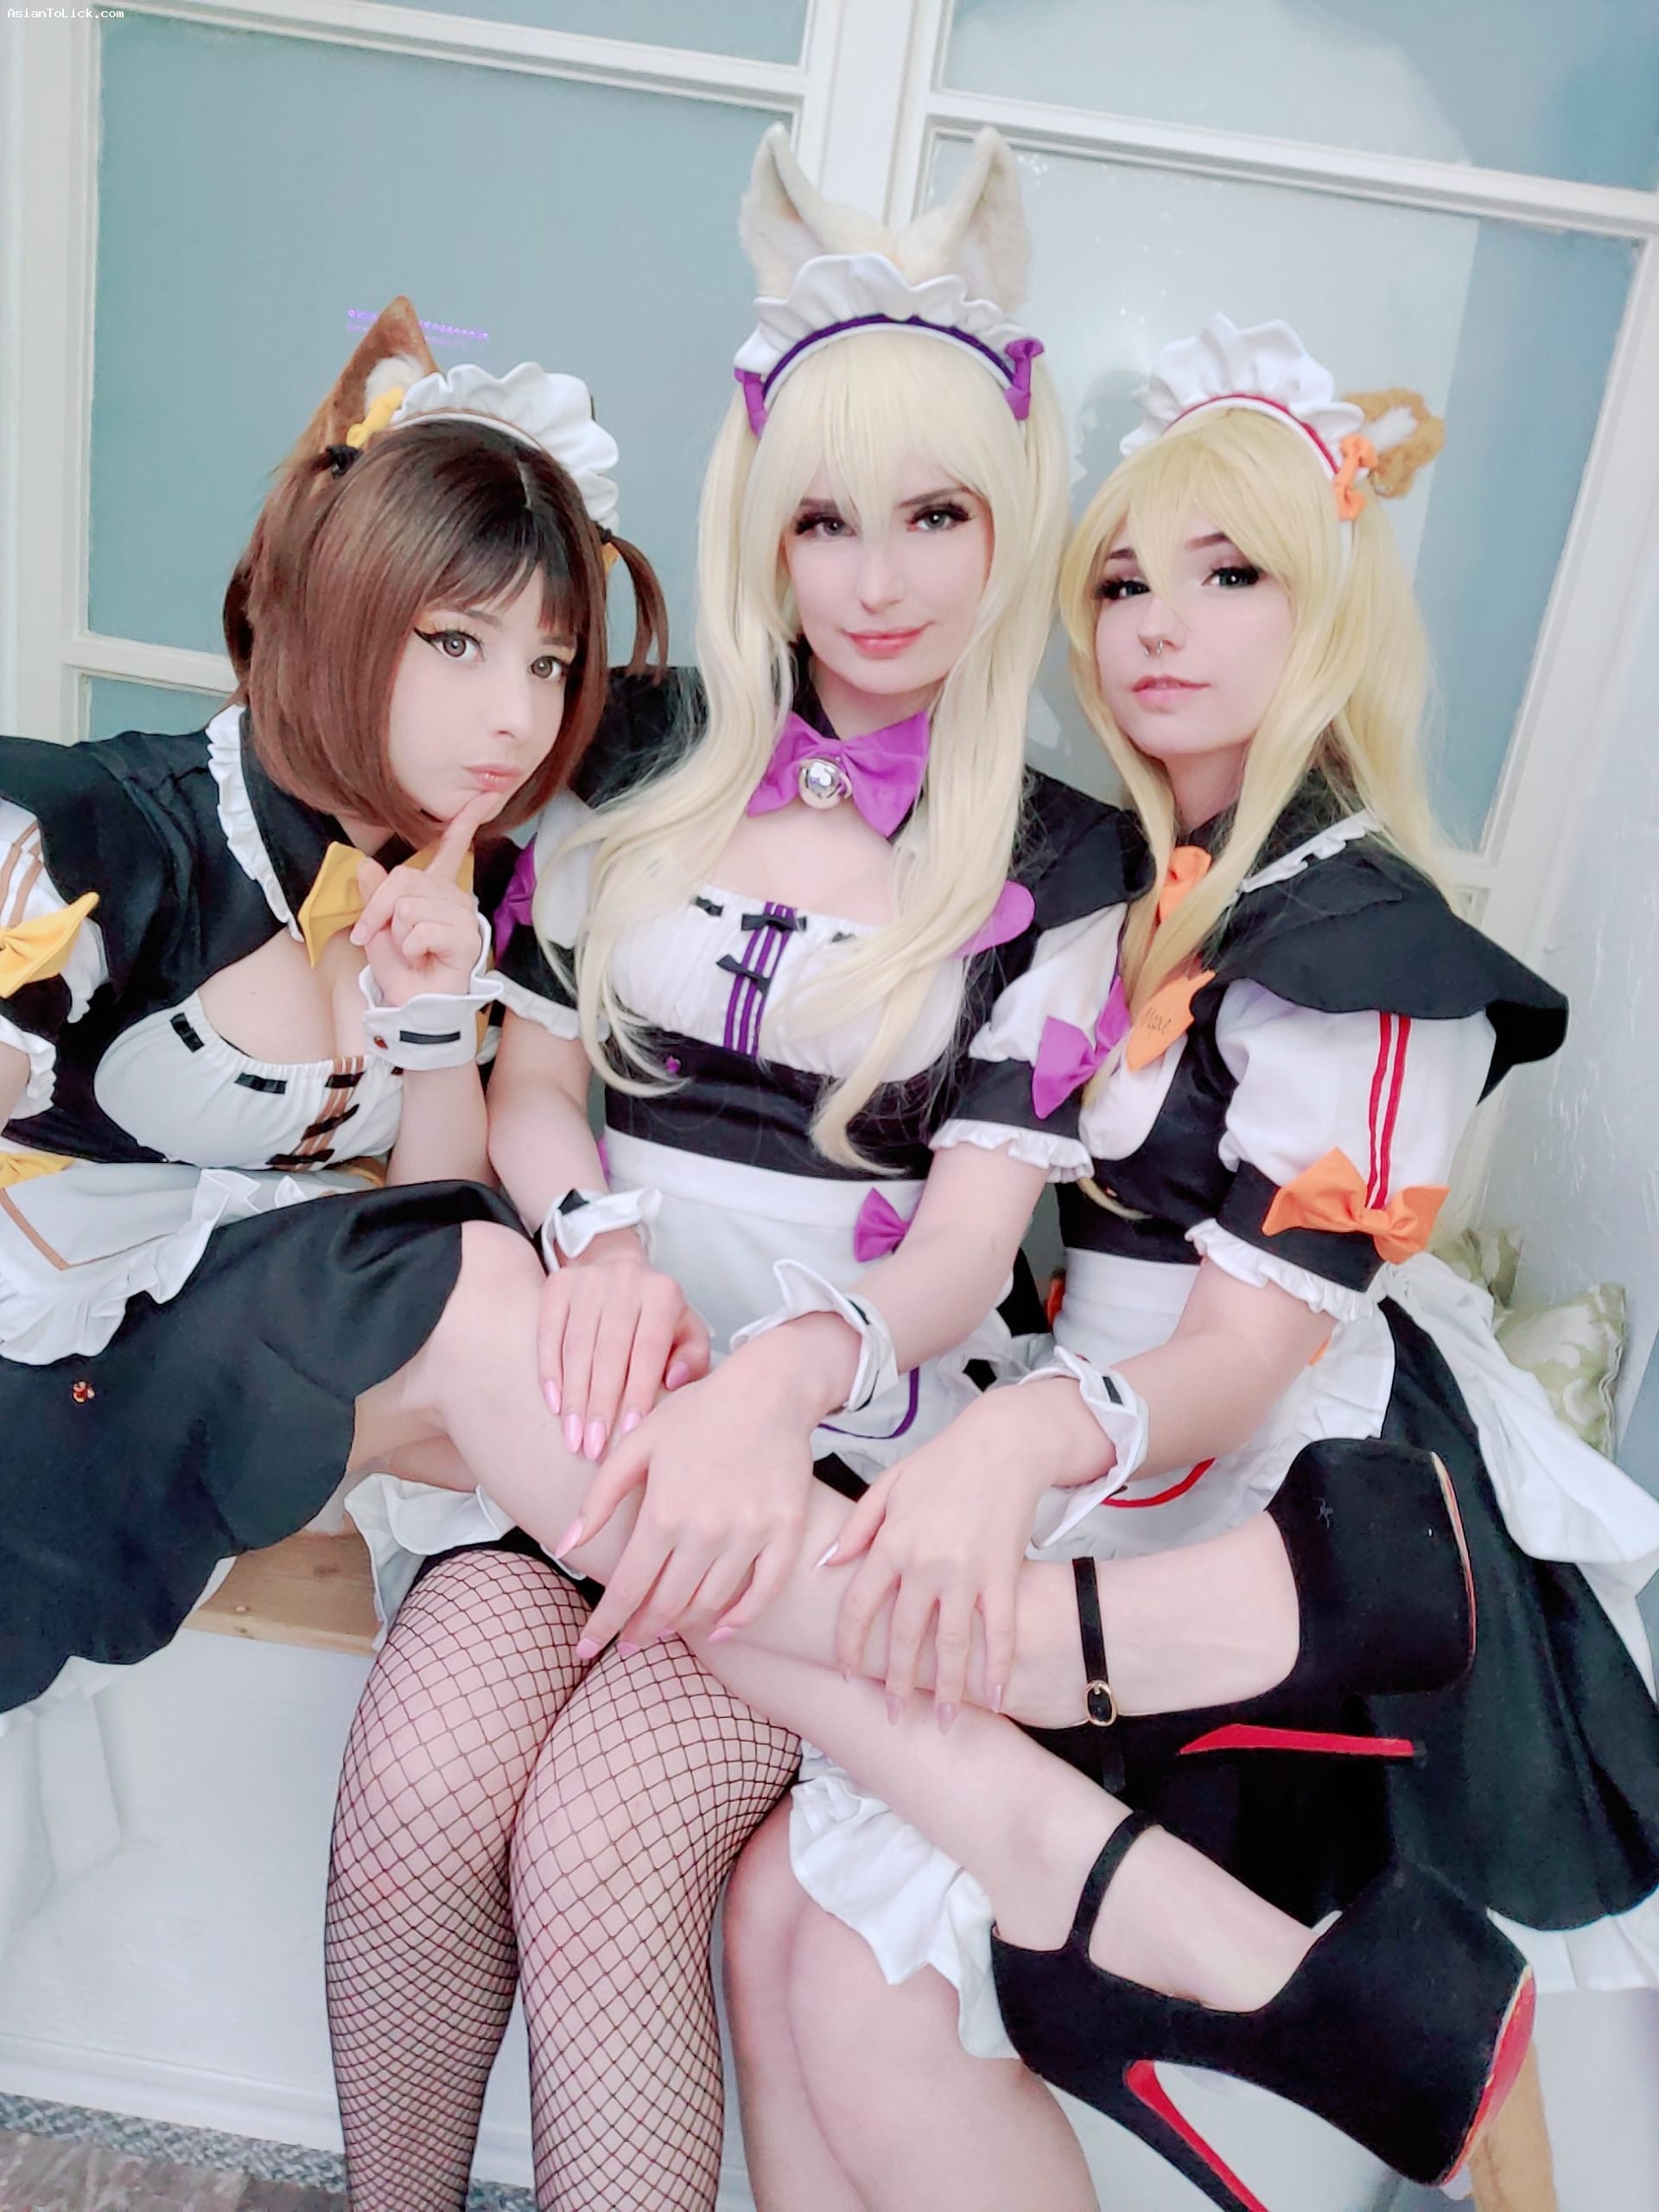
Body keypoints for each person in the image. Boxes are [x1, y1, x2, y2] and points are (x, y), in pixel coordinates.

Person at [720, 316, 1659, 2209]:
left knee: (864, 1961)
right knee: (774, 1910)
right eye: (1126, 581)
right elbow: (996, 1216)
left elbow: (1245, 1351)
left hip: (1259, 1484)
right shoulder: (1132, 891)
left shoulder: (1369, 946)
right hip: (1101, 1432)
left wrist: (1019, 1443)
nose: (1161, 625)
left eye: (1232, 576)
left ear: (1331, 608)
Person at [325, 124, 1138, 2212]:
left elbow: (968, 1248)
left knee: (603, 1850)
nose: (879, 581)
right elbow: (534, 1078)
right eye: (826, 520)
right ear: (761, 524)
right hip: (573, 1407)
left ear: (1010, 516)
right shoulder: (635, 749)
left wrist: (783, 1376)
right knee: (415, 1805)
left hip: (823, 1470)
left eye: (937, 516)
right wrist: (592, 1232)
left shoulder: (1062, 863)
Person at [0, 293, 671, 1719]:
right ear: (346, 608)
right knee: (513, 1341)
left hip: (271, 1371)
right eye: (458, 642)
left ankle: (865, 1679)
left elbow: (418, 1227)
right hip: (57, 1365)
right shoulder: (121, 830)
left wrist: (433, 1020)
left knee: (526, 1359)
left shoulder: (466, 886)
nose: (517, 717)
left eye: (549, 662)